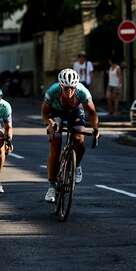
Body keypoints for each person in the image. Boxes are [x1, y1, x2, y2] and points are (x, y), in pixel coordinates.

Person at [41, 68, 100, 202]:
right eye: (66, 88)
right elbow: (44, 113)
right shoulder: (53, 91)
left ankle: (76, 165)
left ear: (76, 86)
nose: (69, 91)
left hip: (75, 112)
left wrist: (96, 130)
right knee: (55, 140)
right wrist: (50, 123)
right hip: (56, 113)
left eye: (72, 88)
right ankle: (51, 186)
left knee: (79, 139)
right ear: (61, 86)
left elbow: (93, 113)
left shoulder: (82, 92)